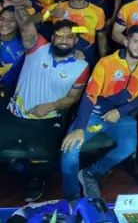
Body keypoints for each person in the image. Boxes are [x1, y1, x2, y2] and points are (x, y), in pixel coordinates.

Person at [61, 24, 138, 201]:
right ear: (126, 41)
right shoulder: (106, 63)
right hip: (95, 115)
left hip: (122, 117)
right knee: (70, 149)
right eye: (135, 41)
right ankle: (72, 198)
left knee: (128, 147)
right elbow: (89, 96)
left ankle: (90, 173)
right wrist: (80, 127)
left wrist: (120, 112)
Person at [1, 14, 88, 201]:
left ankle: (35, 178)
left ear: (76, 40)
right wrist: (39, 9)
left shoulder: (82, 65)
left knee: (43, 156)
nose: (64, 40)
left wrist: (51, 106)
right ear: (53, 37)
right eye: (60, 35)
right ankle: (16, 166)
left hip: (46, 121)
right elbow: (26, 26)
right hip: (14, 114)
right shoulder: (38, 47)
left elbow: (73, 97)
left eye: (69, 36)